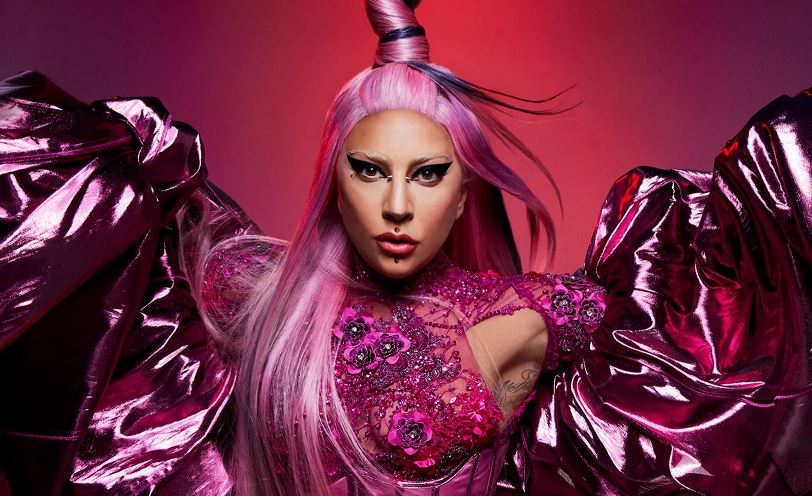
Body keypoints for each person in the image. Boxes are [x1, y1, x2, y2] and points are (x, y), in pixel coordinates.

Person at [1, 0, 811, 494]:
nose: (396, 206)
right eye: (369, 171)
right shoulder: (247, 286)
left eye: (427, 174)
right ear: (334, 182)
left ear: (463, 193)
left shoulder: (534, 315)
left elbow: (709, 344)